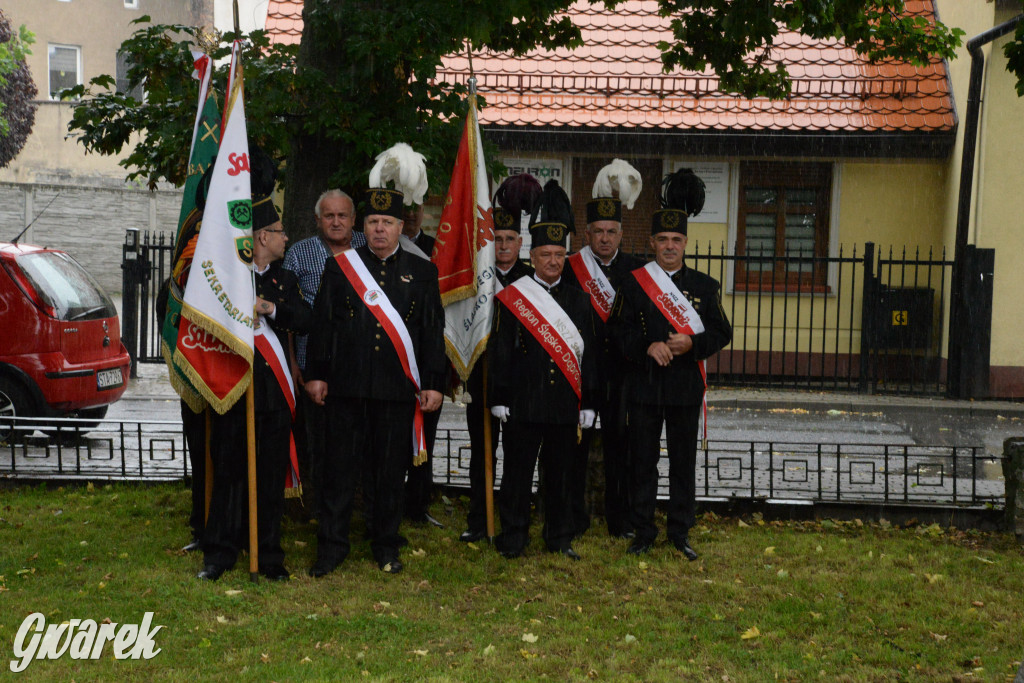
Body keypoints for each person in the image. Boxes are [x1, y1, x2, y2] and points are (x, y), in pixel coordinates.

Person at [304, 144, 446, 576]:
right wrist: (316, 376)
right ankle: (332, 546)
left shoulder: (422, 273)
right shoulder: (342, 267)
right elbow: (323, 326)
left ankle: (386, 545)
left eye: (387, 222)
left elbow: (429, 334)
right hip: (346, 389)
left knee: (388, 473)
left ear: (401, 227)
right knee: (339, 472)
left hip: (395, 391)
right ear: (362, 226)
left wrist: (434, 383)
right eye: (372, 222)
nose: (379, 229)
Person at [608, 168, 732, 560]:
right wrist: (648, 346)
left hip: (683, 389)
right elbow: (616, 333)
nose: (669, 246)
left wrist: (692, 344)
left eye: (676, 240)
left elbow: (721, 333)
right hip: (644, 387)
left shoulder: (705, 287)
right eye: (662, 240)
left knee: (682, 464)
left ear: (685, 243)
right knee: (642, 462)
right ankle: (643, 530)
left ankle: (680, 532)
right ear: (652, 242)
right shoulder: (632, 283)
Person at [197, 194, 313, 581]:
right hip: (234, 390)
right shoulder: (226, 276)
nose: (285, 238)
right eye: (279, 232)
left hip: (273, 394)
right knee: (229, 473)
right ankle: (219, 553)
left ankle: (268, 555)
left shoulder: (285, 278)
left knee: (268, 476)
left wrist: (270, 309)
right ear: (262, 236)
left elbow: (304, 318)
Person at [488, 179, 597, 560]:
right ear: (532, 257)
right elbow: (500, 351)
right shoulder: (513, 296)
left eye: (559, 255)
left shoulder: (580, 301)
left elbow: (591, 356)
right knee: (516, 475)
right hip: (523, 403)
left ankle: (559, 537)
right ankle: (514, 537)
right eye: (546, 254)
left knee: (562, 476)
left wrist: (589, 403)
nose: (553, 261)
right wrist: (499, 396)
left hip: (565, 403)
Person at [560, 159, 645, 540]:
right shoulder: (570, 269)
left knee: (620, 452)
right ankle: (574, 519)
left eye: (612, 231)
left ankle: (620, 521)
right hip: (581, 372)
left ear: (621, 233)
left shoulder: (638, 272)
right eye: (598, 232)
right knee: (574, 451)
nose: (605, 238)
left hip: (625, 376)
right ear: (589, 234)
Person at [459, 174, 539, 543]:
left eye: (509, 240)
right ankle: (479, 521)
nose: (503, 245)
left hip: (522, 383)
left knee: (519, 458)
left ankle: (511, 522)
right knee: (482, 455)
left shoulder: (532, 280)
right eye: (497, 239)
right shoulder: (478, 278)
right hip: (482, 378)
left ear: (521, 243)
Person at [281, 189, 364, 519]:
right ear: (317, 220)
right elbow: (285, 313)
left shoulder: (368, 247)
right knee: (315, 440)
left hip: (359, 365)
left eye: (343, 215)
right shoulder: (299, 254)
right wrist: (290, 361)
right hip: (310, 363)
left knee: (355, 439)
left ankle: (354, 506)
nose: (336, 221)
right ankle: (312, 506)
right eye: (329, 216)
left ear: (353, 219)